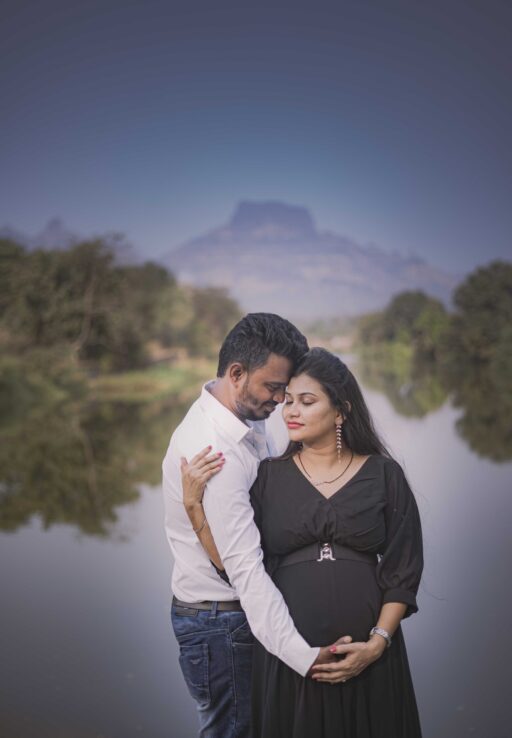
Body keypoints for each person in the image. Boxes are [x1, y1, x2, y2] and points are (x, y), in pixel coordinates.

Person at [183, 347, 424, 738]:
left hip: (371, 658)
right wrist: (194, 509)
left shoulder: (384, 474)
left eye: (307, 402)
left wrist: (378, 643)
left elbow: (403, 569)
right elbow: (238, 567)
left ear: (341, 411)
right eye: (288, 400)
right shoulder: (268, 477)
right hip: (290, 658)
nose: (291, 411)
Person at [162, 316, 341, 738]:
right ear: (236, 373)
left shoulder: (242, 414)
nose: (280, 400)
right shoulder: (214, 452)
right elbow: (244, 570)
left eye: (286, 389)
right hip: (222, 624)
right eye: (273, 387)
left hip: (233, 618)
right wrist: (303, 656)